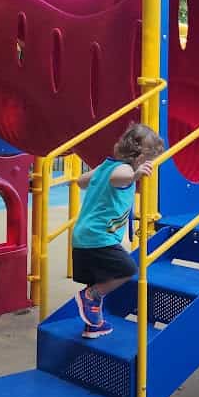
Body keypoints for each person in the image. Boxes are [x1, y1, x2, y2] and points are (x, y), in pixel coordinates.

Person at [71, 122, 165, 337]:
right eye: (151, 159)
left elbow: (81, 181)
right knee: (127, 270)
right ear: (140, 157)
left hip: (83, 236)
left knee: (98, 280)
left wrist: (97, 179)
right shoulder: (124, 170)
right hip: (99, 237)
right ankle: (90, 296)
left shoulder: (105, 166)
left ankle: (93, 325)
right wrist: (134, 176)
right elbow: (118, 178)